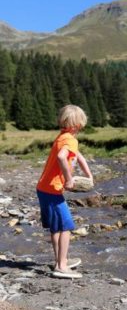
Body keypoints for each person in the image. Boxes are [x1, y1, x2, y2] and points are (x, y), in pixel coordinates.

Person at [36, 105, 93, 279]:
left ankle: (60, 260)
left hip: (44, 188)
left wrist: (89, 175)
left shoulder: (63, 137)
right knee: (66, 226)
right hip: (53, 190)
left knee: (56, 227)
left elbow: (79, 156)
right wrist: (69, 179)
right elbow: (62, 157)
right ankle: (61, 266)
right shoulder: (70, 140)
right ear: (78, 124)